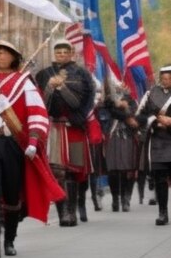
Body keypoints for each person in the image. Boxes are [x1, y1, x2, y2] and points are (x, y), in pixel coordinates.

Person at [0, 40, 62, 258]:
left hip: (13, 144)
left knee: (11, 194)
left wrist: (34, 141)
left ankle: (9, 239)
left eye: (5, 53)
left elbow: (37, 113)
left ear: (14, 57)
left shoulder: (24, 83)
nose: (0, 57)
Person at [35, 39, 95, 227]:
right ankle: (63, 214)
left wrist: (62, 87)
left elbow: (83, 102)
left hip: (74, 128)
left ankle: (73, 210)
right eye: (58, 52)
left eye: (64, 52)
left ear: (71, 53)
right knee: (57, 171)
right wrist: (50, 88)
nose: (61, 55)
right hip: (54, 128)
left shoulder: (82, 74)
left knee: (73, 171)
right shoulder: (44, 74)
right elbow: (41, 103)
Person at [134, 65, 171, 225]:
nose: (166, 81)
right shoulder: (150, 94)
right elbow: (140, 116)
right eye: (164, 78)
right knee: (160, 179)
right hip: (158, 142)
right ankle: (163, 212)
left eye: (169, 78)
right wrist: (155, 120)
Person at [101, 81, 139, 212]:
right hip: (112, 136)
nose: (121, 85)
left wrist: (125, 107)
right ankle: (115, 199)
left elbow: (134, 116)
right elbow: (108, 109)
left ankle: (126, 199)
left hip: (127, 136)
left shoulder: (131, 100)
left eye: (123, 83)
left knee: (127, 170)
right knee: (113, 170)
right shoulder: (107, 99)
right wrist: (118, 105)